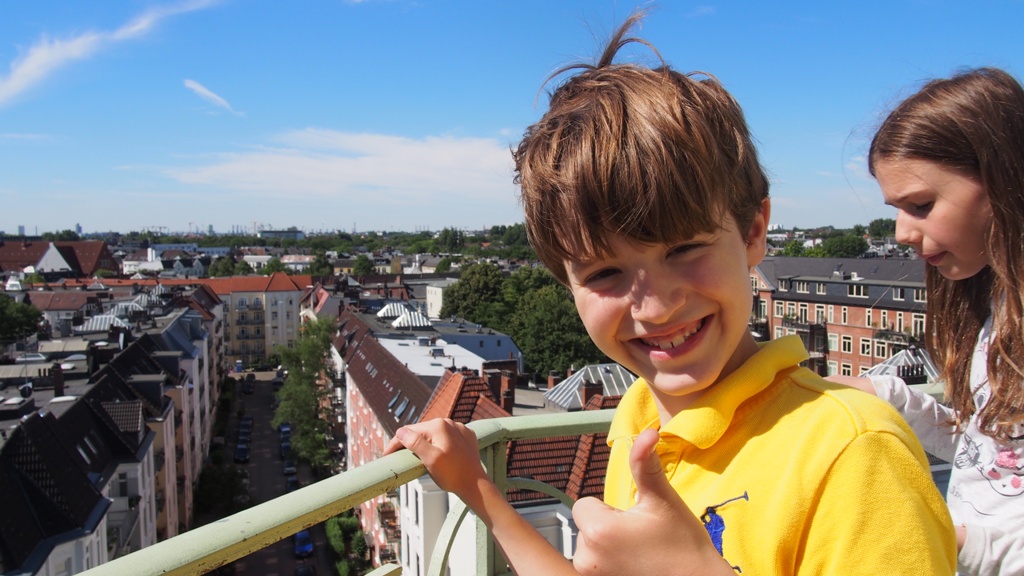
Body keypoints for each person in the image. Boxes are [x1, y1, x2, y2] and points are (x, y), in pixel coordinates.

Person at [384, 11, 956, 575]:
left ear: (754, 232)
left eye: (684, 249)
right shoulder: (638, 420)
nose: (655, 307)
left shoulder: (853, 452)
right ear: (567, 282)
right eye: (604, 273)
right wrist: (476, 486)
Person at [828, 67, 1024, 575]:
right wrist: (883, 395)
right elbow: (990, 459)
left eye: (920, 205)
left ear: (1006, 181)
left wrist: (936, 535)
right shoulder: (1000, 312)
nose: (900, 233)